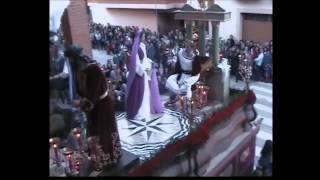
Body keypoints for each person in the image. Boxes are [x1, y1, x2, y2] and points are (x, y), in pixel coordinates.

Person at [64, 45, 121, 167]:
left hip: (102, 107)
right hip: (93, 109)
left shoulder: (93, 69)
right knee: (94, 133)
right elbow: (81, 92)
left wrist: (80, 103)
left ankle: (108, 159)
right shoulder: (80, 72)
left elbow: (92, 96)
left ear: (74, 60)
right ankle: (98, 157)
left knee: (103, 133)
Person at [126, 30, 164, 120]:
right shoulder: (136, 48)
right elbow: (136, 63)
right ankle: (138, 113)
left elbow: (145, 59)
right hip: (140, 75)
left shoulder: (142, 47)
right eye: (143, 36)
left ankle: (144, 111)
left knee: (146, 93)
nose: (145, 38)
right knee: (140, 93)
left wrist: (149, 63)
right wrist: (145, 68)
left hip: (144, 73)